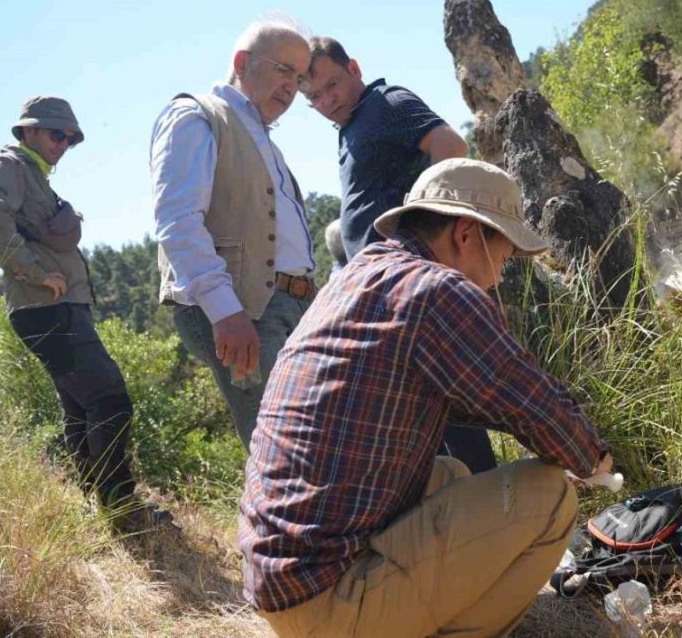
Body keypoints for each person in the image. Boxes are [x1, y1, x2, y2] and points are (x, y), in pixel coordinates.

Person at [239, 158, 612, 638]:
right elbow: (536, 406)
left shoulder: (357, 279)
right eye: (502, 255)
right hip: (329, 601)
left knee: (449, 476)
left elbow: (482, 398)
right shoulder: (439, 291)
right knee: (550, 495)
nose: (499, 276)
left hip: (285, 587)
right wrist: (593, 458)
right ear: (464, 235)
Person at [0, 96, 169, 531]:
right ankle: (123, 510)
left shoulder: (34, 175)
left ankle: (100, 511)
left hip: (58, 308)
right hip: (46, 308)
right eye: (55, 134)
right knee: (109, 398)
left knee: (82, 407)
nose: (64, 144)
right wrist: (36, 271)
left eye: (70, 138)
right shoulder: (11, 166)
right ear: (28, 131)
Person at [301, 36, 497, 473]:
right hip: (382, 288)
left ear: (354, 68)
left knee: (440, 393)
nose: (326, 100)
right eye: (313, 97)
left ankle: (487, 492)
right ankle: (459, 509)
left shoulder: (384, 102)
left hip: (407, 282)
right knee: (417, 403)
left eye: (332, 85)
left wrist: (422, 230)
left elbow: (451, 148)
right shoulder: (351, 126)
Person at [151, 15, 316, 448]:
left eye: (299, 78)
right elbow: (177, 220)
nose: (292, 88)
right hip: (245, 311)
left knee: (302, 445)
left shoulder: (259, 135)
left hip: (286, 309)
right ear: (243, 62)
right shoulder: (195, 115)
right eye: (284, 70)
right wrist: (226, 311)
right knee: (284, 452)